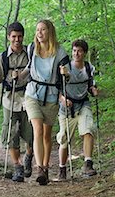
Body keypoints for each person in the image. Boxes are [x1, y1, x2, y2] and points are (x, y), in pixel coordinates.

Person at [20, 19, 70, 186]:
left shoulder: (60, 52)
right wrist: (18, 76)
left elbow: (67, 77)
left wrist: (65, 72)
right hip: (32, 93)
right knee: (38, 130)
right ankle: (40, 168)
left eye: (43, 30)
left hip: (51, 96)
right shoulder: (31, 48)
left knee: (47, 135)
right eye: (37, 30)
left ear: (50, 32)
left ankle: (46, 167)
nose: (39, 33)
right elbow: (28, 68)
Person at [0, 22, 33, 183]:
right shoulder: (2, 58)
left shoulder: (30, 53)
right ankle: (18, 167)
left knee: (32, 136)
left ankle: (29, 156)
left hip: (29, 98)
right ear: (9, 37)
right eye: (13, 36)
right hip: (10, 100)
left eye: (19, 36)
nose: (17, 40)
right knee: (11, 135)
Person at [57, 39, 99, 180]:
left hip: (83, 104)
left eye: (80, 51)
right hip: (67, 108)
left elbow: (91, 84)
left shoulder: (89, 68)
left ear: (85, 53)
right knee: (64, 139)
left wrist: (93, 90)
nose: (76, 54)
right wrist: (63, 100)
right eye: (74, 50)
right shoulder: (65, 68)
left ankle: (88, 163)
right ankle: (62, 169)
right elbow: (57, 89)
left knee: (88, 129)